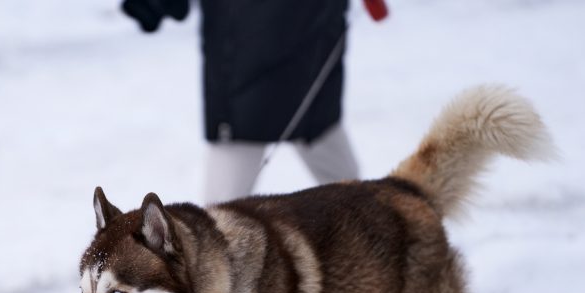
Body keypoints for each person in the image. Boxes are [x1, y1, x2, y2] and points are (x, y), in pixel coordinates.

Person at [122, 0, 387, 203]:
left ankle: (376, 245)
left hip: (311, 61)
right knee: (222, 211)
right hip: (245, 67)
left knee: (350, 192)